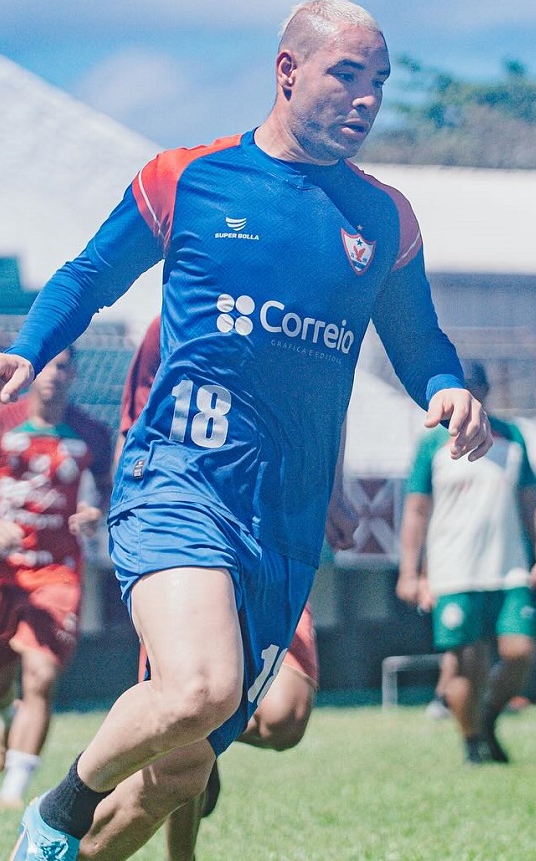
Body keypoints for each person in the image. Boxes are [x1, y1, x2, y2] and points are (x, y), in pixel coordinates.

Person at [0, 0, 490, 860]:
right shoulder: (186, 177)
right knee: (199, 690)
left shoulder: (385, 218)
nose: (366, 100)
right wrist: (24, 351)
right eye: (344, 76)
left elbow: (418, 338)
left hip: (283, 517)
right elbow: (90, 275)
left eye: (378, 83)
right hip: (178, 481)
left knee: (179, 773)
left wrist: (450, 388)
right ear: (287, 71)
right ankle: (55, 812)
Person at [107, 316, 355, 861]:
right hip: (188, 537)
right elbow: (138, 429)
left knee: (285, 719)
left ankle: (170, 733)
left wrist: (333, 492)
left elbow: (329, 408)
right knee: (190, 719)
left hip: (274, 539)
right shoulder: (178, 319)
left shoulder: (315, 315)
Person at [0, 347, 112, 809]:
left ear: (74, 374)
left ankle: (14, 791)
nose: (54, 376)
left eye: (63, 367)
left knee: (41, 675)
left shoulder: (92, 433)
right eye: (47, 367)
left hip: (58, 571)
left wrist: (96, 511)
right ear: (31, 374)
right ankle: (2, 715)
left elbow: (109, 487)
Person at [395, 361, 536, 765]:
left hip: (509, 568)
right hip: (454, 571)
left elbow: (532, 505)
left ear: (486, 391)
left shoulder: (510, 436)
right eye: (464, 388)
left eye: (477, 387)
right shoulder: (432, 443)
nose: (472, 396)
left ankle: (486, 718)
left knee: (520, 652)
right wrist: (411, 572)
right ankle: (473, 745)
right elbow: (416, 511)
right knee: (468, 665)